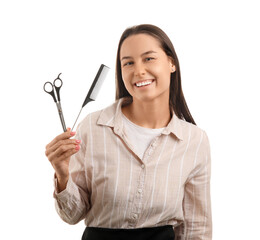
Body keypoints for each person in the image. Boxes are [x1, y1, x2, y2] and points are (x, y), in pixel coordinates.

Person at [45, 24, 212, 240]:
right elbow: (72, 215)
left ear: (171, 62)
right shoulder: (92, 128)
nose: (139, 70)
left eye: (148, 58)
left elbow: (196, 229)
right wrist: (63, 175)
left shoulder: (194, 141)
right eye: (128, 63)